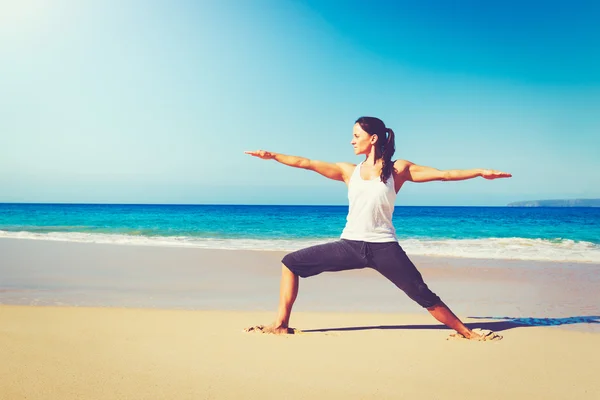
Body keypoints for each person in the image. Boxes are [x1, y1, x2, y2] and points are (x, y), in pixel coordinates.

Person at [244, 116, 511, 340]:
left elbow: (444, 175)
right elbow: (307, 163)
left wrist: (479, 171)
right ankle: (280, 325)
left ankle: (465, 332)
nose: (351, 140)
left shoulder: (398, 169)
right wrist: (274, 156)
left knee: (421, 293)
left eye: (356, 135)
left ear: (372, 138)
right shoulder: (349, 171)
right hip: (349, 246)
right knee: (291, 263)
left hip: (384, 248)